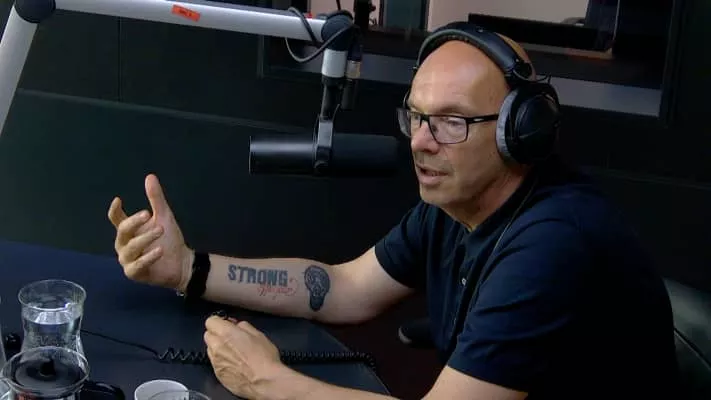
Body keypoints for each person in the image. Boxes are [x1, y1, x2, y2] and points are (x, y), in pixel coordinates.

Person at [107, 22, 678, 400]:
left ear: (521, 132)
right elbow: (343, 287)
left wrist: (266, 381)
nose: (421, 142)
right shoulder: (454, 206)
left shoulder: (554, 244)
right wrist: (187, 269)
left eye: (451, 122)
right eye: (417, 116)